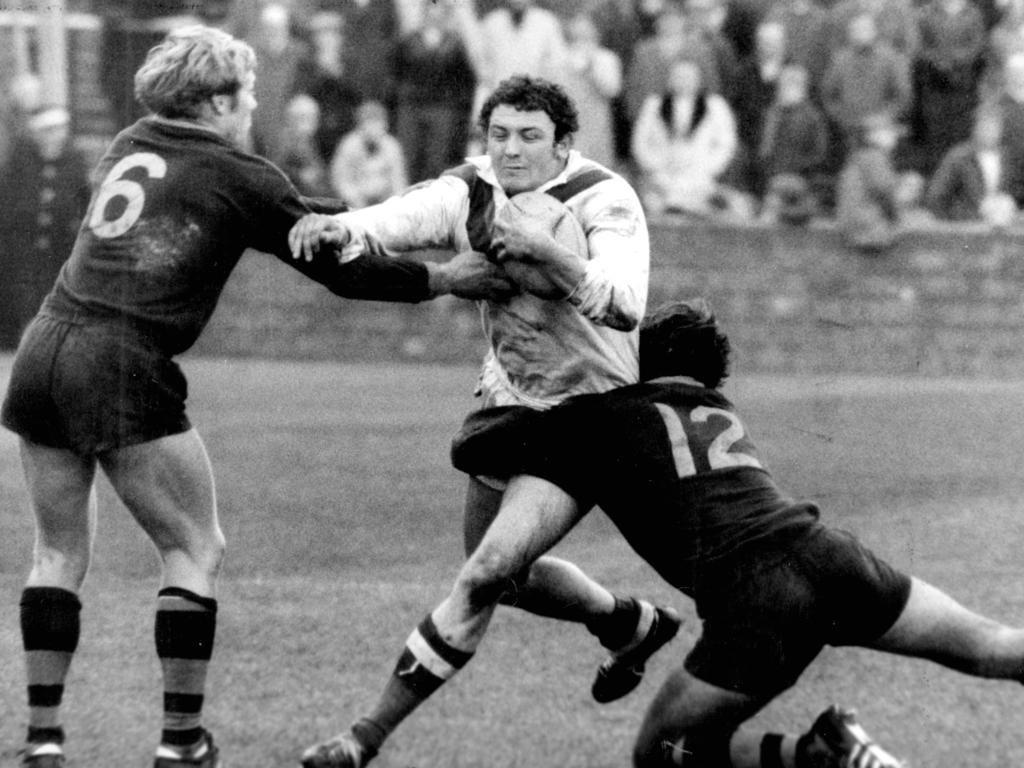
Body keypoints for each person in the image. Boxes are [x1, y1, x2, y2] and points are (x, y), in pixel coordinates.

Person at [1, 25, 514, 768]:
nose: (251, 110)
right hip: (120, 360)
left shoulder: (128, 141)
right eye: (244, 95)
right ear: (215, 101)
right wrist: (439, 276)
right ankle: (181, 744)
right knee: (193, 547)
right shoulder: (239, 172)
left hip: (42, 347)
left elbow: (298, 213)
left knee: (56, 553)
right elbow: (334, 257)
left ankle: (42, 741)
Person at [451, 298, 1024, 768]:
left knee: (661, 752)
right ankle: (825, 750)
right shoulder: (716, 406)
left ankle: (822, 754)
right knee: (990, 643)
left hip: (758, 597)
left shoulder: (606, 417)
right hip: (830, 554)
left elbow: (480, 445)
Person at [290, 74, 670, 768]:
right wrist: (339, 227)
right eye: (499, 135)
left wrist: (550, 257)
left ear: (564, 143)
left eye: (529, 136)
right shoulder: (473, 189)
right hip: (511, 399)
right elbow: (395, 220)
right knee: (504, 576)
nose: (511, 150)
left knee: (485, 574)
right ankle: (628, 624)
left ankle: (360, 740)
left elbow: (625, 303)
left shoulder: (604, 198)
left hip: (592, 411)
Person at [0, 105, 90, 350]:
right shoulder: (19, 162)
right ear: (37, 134)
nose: (56, 136)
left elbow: (84, 201)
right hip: (22, 247)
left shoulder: (75, 161)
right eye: (49, 130)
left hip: (61, 246)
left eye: (60, 129)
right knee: (22, 298)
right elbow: (7, 201)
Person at [631, 57, 748, 218]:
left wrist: (707, 167)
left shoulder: (715, 106)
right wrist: (656, 165)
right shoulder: (654, 105)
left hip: (701, 178)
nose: (683, 81)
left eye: (689, 77)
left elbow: (726, 144)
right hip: (662, 177)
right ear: (670, 80)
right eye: (678, 77)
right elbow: (640, 143)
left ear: (699, 80)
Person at [926, 105, 1019, 225]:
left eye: (994, 126)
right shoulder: (958, 157)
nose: (990, 132)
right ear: (975, 128)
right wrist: (971, 215)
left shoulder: (1008, 158)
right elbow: (935, 198)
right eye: (985, 126)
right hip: (967, 229)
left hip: (1002, 229)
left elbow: (1017, 193)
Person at [329, 100, 408, 209]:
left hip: (385, 203)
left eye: (378, 122)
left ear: (385, 125)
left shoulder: (392, 146)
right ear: (360, 125)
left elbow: (398, 181)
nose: (374, 128)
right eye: (369, 122)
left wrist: (394, 205)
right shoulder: (348, 145)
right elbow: (340, 180)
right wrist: (357, 202)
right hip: (355, 202)